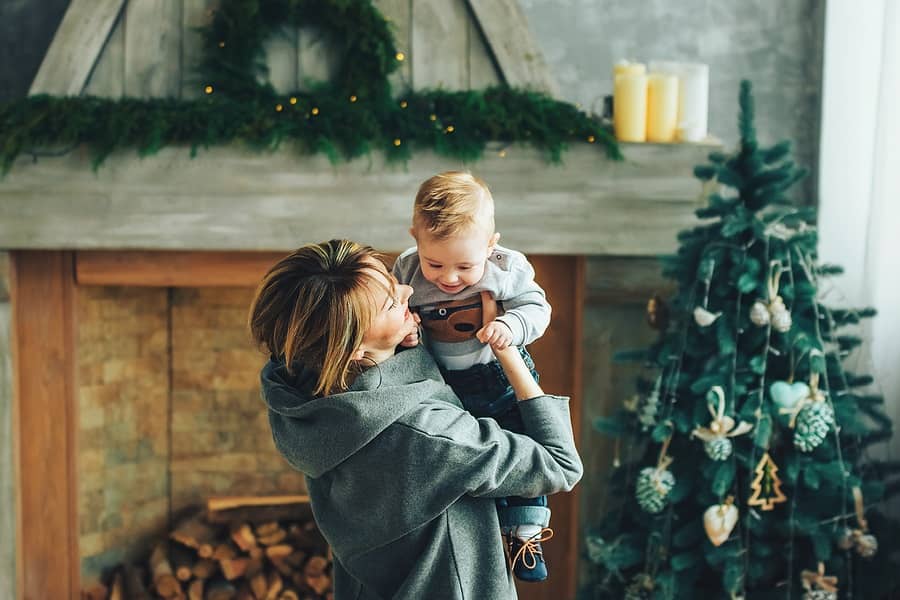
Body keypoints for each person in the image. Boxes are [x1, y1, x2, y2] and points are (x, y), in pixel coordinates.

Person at [248, 239, 582, 599]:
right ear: (354, 348)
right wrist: (506, 351)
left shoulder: (304, 395)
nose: (410, 288)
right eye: (392, 301)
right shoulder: (424, 434)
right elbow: (559, 465)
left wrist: (407, 332)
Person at [391, 171, 554, 581]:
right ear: (415, 238)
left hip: (497, 376)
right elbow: (401, 312)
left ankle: (526, 530)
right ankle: (477, 526)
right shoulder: (407, 269)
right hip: (444, 384)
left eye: (465, 265)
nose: (448, 278)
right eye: (435, 263)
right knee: (467, 450)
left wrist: (513, 326)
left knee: (522, 440)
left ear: (491, 244)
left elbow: (538, 308)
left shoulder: (505, 267)